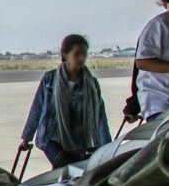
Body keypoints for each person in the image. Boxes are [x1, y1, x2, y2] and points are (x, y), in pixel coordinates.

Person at [20, 34, 111, 168]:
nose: (81, 58)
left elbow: (100, 115)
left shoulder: (92, 84)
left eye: (84, 54)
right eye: (77, 54)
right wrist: (27, 137)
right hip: (51, 137)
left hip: (78, 140)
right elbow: (37, 107)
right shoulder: (50, 79)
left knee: (74, 172)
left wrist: (106, 145)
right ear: (65, 54)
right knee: (65, 167)